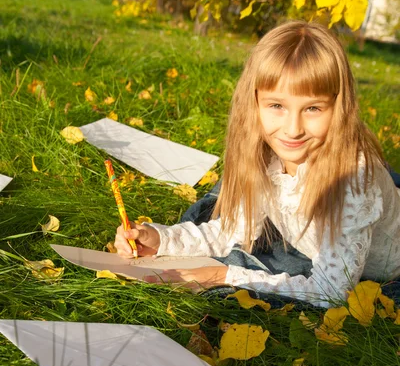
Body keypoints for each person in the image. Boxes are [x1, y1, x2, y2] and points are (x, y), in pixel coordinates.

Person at [114, 20, 400, 308]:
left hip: (386, 265)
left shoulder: (351, 178)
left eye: (313, 108)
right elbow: (230, 231)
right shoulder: (263, 153)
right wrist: (161, 239)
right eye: (277, 106)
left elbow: (330, 293)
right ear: (254, 103)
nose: (292, 129)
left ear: (339, 108)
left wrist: (226, 275)